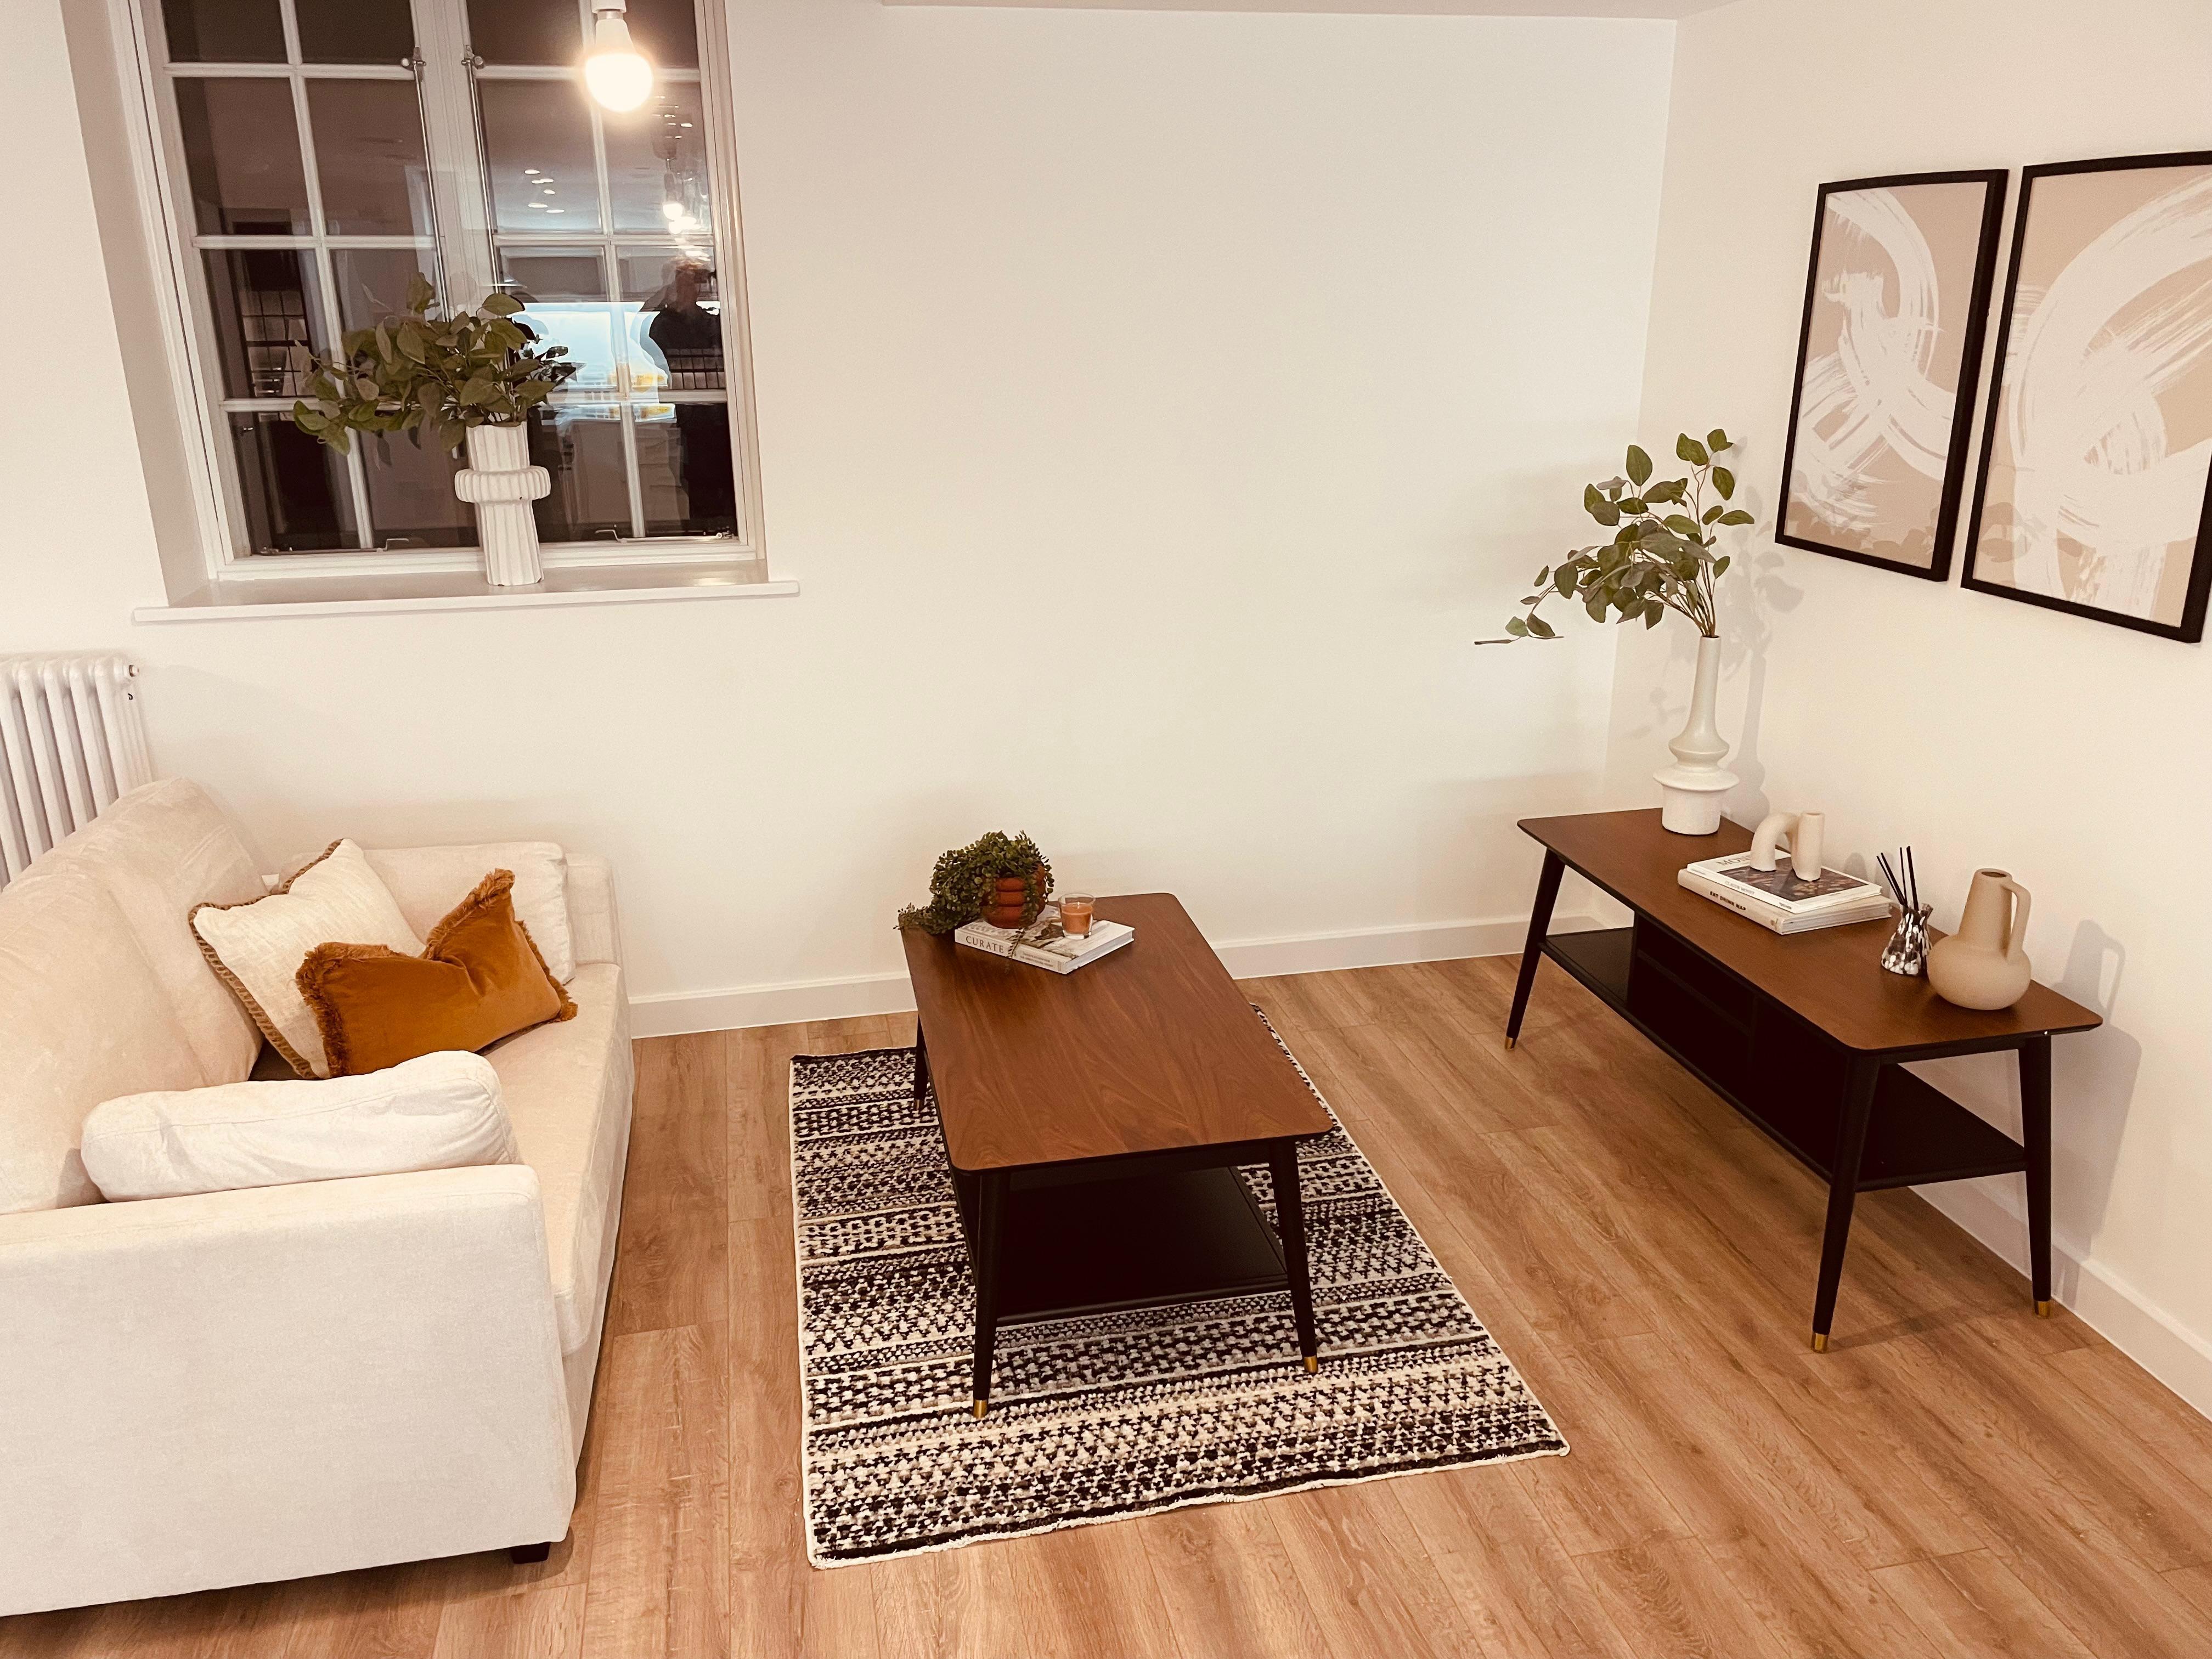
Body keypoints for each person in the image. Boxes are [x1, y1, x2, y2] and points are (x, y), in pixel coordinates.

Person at [642, 260, 737, 532]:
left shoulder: (712, 321)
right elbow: (641, 329)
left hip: (728, 419)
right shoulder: (665, 325)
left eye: (696, 282)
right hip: (696, 421)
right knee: (700, 487)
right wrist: (669, 296)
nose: (692, 288)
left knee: (734, 485)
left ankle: (732, 533)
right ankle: (705, 536)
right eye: (685, 282)